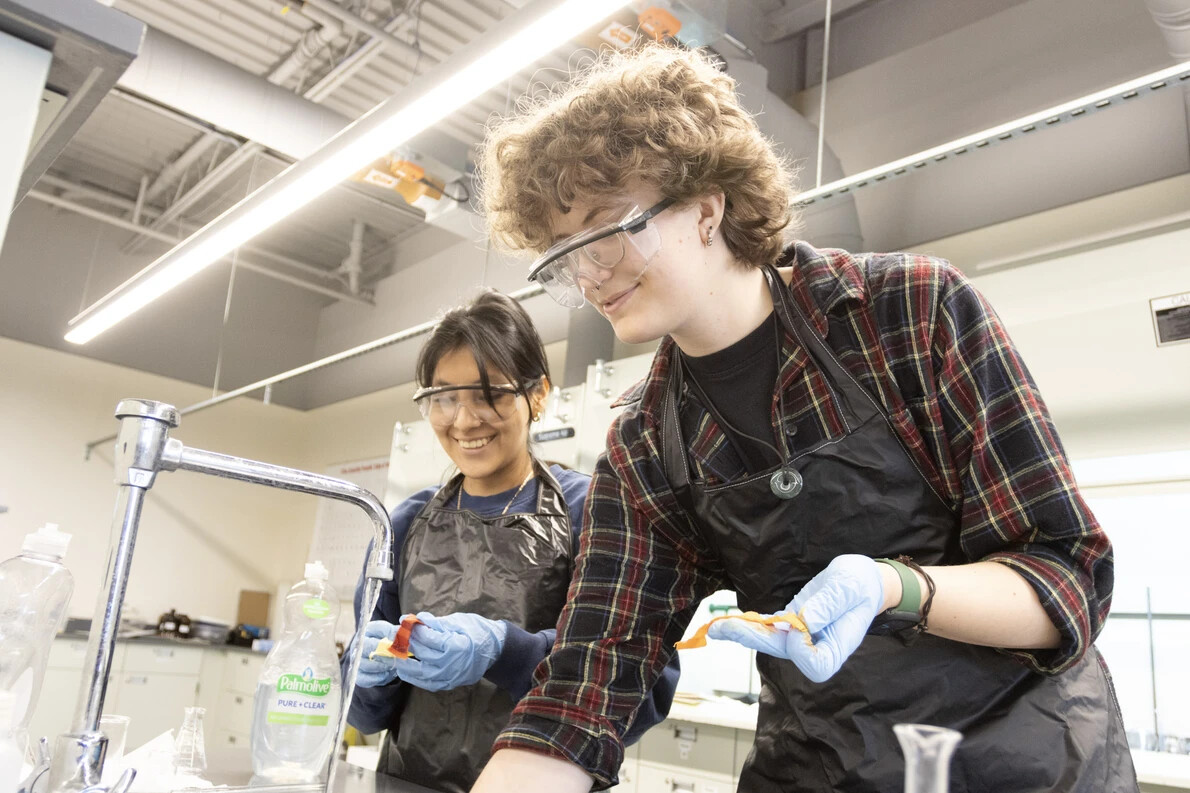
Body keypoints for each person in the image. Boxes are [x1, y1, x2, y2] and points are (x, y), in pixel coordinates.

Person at [468, 44, 1136, 792]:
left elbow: (1067, 575)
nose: (589, 275)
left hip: (1026, 765)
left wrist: (897, 587)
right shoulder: (646, 443)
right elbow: (591, 678)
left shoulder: (909, 312)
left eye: (605, 231)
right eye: (564, 255)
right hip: (827, 767)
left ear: (705, 207)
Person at [343, 290, 679, 793]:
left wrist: (504, 650)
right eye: (443, 397)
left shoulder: (596, 512)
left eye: (488, 394)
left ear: (537, 394)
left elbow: (642, 689)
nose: (463, 419)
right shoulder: (404, 523)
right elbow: (368, 718)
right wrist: (367, 675)